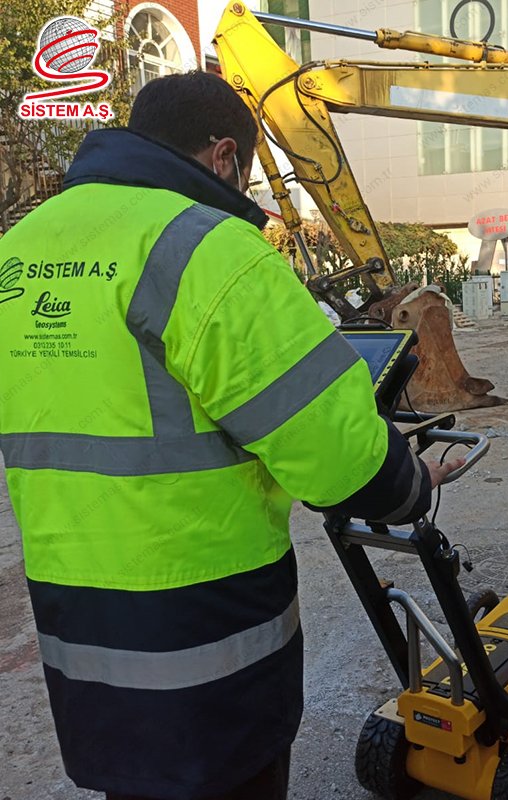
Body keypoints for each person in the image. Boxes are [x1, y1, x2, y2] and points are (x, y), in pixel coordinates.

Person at [0, 71, 462, 800]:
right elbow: (335, 452)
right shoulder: (207, 248)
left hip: (75, 620)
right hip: (206, 627)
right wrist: (408, 486)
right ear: (224, 157)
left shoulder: (19, 250)